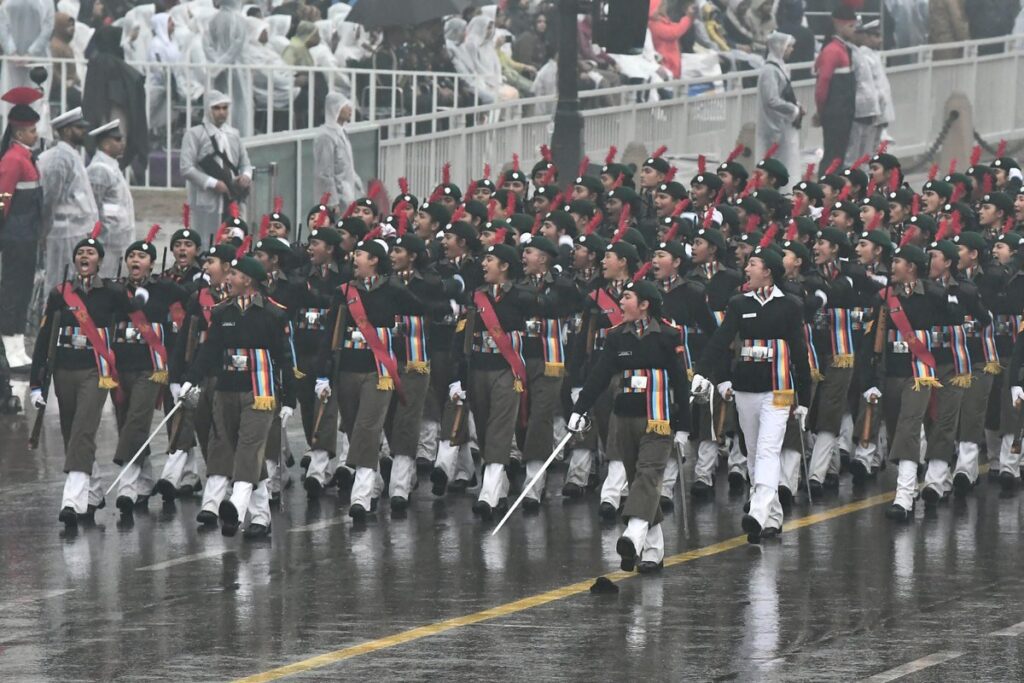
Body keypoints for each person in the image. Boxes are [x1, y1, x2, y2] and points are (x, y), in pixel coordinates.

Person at [692, 242, 812, 542]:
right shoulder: (739, 304)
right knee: (755, 451)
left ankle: (757, 511)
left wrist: (806, 399)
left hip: (779, 389)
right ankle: (772, 518)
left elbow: (800, 353)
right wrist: (701, 373)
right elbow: (721, 340)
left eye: (753, 264)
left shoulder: (790, 305)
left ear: (768, 272)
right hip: (746, 386)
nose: (746, 269)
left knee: (770, 449)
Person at [568, 279, 690, 572]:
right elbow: (599, 375)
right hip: (623, 419)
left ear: (645, 304)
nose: (620, 303)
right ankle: (653, 553)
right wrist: (580, 408)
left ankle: (633, 538)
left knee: (648, 477)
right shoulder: (616, 337)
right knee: (640, 480)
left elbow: (681, 383)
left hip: (657, 420)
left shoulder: (669, 335)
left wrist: (684, 425)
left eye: (627, 297)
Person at [180, 252, 296, 539]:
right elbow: (209, 351)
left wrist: (290, 400)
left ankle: (235, 506)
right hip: (226, 390)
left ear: (249, 280)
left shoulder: (273, 313)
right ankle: (260, 518)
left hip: (261, 393)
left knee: (249, 447)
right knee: (236, 448)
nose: (227, 278)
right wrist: (190, 380)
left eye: (234, 274)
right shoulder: (221, 312)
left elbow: (284, 359)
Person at [30, 225, 136, 530]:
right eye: (80, 252)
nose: (84, 256)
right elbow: (44, 338)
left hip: (95, 370)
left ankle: (71, 502)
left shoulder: (113, 293)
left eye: (90, 252)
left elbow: (140, 315)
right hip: (64, 369)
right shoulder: (60, 293)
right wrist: (37, 384)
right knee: (70, 431)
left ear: (100, 260)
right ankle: (93, 490)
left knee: (83, 430)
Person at [0, 87, 44, 372]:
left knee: (22, 290)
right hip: (16, 238)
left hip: (27, 237)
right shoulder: (13, 161)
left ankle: (16, 344)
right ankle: (10, 346)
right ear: (18, 133)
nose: (35, 134)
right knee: (13, 292)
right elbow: (3, 199)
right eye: (30, 131)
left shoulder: (26, 158)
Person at [37, 108, 99, 301]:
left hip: (76, 232)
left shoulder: (71, 155)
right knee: (58, 283)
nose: (83, 132)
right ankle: (50, 324)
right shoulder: (59, 158)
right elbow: (50, 199)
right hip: (63, 234)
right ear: (65, 131)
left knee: (74, 285)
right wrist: (43, 233)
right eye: (78, 128)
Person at [180, 91, 253, 245]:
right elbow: (186, 167)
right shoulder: (195, 134)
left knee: (234, 237)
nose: (221, 112)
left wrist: (245, 176)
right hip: (206, 200)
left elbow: (244, 162)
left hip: (233, 197)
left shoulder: (233, 134)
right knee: (206, 240)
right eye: (217, 108)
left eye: (224, 108)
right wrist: (213, 183)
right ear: (208, 109)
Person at [82, 26, 148, 170]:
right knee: (116, 144)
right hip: (117, 112)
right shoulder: (110, 63)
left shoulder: (97, 62)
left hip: (102, 114)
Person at [87, 120, 136, 277]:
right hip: (106, 242)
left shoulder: (111, 165)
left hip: (118, 241)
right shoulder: (99, 170)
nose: (122, 143)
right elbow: (93, 208)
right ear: (105, 145)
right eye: (117, 140)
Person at [814, 6, 858, 175]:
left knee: (839, 153)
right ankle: (825, 186)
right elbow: (822, 85)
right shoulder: (832, 51)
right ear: (839, 25)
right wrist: (820, 111)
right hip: (835, 112)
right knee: (832, 153)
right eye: (850, 27)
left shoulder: (843, 49)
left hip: (844, 111)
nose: (854, 31)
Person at [0, 0, 54, 134]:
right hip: (12, 63)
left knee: (37, 101)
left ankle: (37, 142)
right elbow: (2, 23)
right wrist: (11, 51)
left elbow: (48, 27)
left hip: (38, 62)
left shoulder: (46, 2)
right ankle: (9, 139)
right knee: (10, 101)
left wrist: (31, 53)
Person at [202, 0, 253, 137]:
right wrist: (223, 63)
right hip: (236, 69)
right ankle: (239, 137)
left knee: (219, 102)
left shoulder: (212, 19)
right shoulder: (240, 20)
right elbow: (236, 47)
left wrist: (217, 64)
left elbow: (207, 46)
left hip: (217, 70)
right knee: (237, 104)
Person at [757, 32, 803, 180]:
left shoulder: (779, 67)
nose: (791, 50)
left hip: (782, 125)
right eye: (789, 46)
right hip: (774, 126)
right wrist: (793, 109)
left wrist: (797, 106)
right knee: (775, 166)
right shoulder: (769, 71)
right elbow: (772, 100)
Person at [313, 92, 364, 214]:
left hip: (348, 194)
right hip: (337, 201)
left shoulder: (342, 132)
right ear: (336, 109)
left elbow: (348, 167)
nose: (350, 109)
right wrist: (332, 201)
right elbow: (324, 172)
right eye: (345, 106)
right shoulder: (325, 136)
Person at [647, 0, 693, 80]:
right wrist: (688, 18)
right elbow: (674, 32)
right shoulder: (653, 25)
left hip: (672, 62)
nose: (665, 7)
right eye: (661, 5)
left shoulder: (662, 20)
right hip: (667, 63)